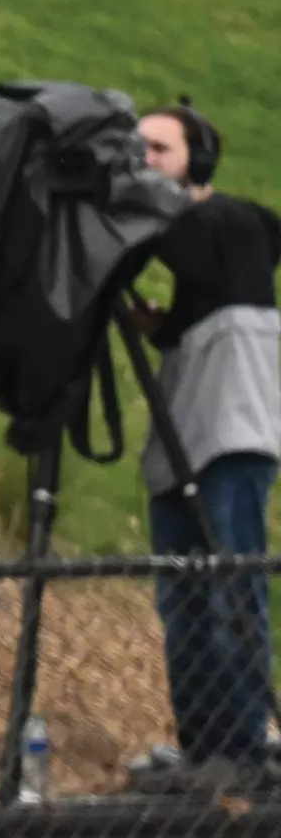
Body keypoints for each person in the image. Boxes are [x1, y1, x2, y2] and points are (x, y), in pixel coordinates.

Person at [126, 98, 281, 793]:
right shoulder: (197, 256)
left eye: (159, 149)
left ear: (201, 160)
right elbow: (201, 294)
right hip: (182, 452)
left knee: (231, 594)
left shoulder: (231, 223)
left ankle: (244, 753)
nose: (144, 163)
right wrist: (161, 329)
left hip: (230, 443)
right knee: (183, 607)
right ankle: (206, 751)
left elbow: (209, 249)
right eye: (138, 151)